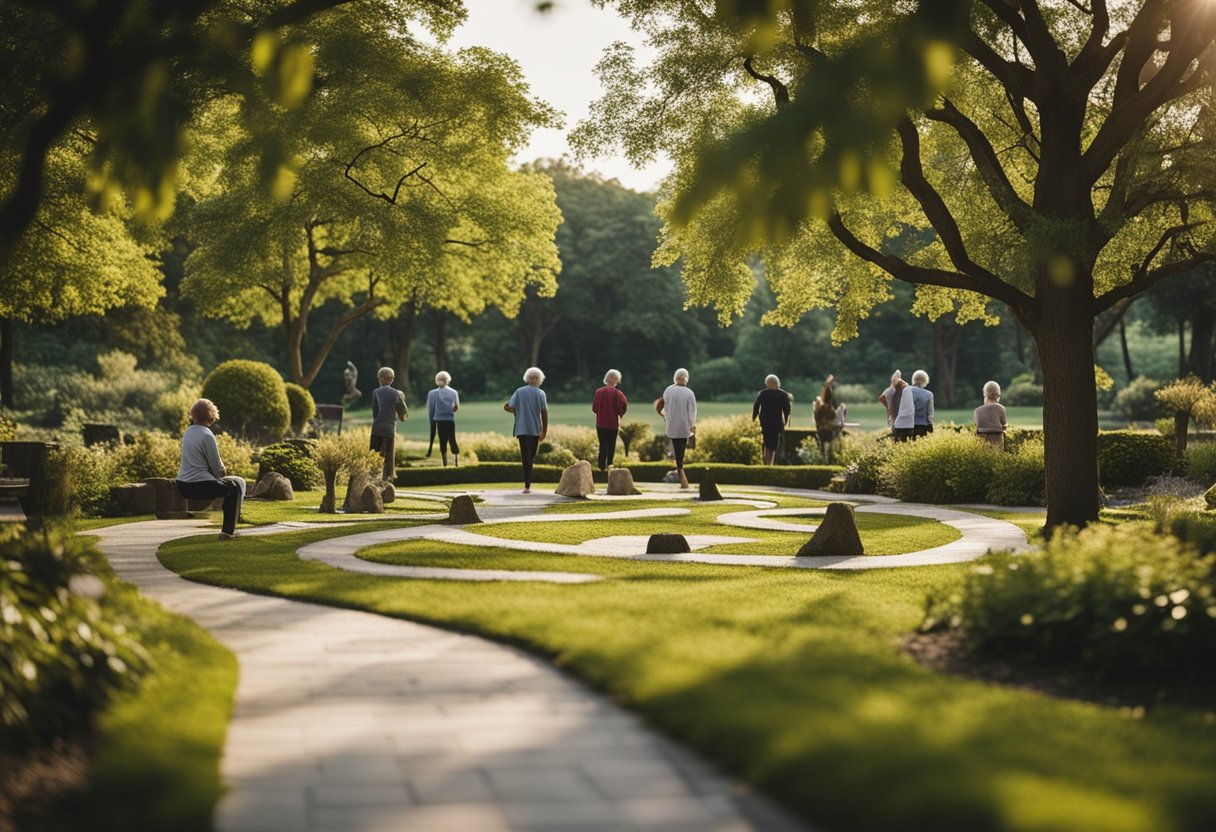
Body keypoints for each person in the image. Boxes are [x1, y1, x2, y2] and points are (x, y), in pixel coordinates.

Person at [175, 398, 246, 540]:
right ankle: (228, 532)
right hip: (198, 485)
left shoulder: (188, 432)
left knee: (231, 485)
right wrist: (223, 474)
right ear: (211, 416)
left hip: (183, 484)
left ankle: (230, 528)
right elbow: (218, 469)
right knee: (233, 487)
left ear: (193, 415)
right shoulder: (207, 435)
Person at [505, 366, 549, 494]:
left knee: (528, 457)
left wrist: (512, 410)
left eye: (535, 377)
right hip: (530, 429)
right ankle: (527, 486)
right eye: (532, 377)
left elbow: (509, 406)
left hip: (529, 429)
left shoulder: (523, 392)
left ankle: (527, 485)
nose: (534, 379)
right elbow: (544, 413)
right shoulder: (538, 393)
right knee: (528, 457)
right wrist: (544, 431)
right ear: (529, 379)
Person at [370, 367, 408, 481]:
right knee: (389, 456)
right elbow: (403, 410)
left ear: (380, 378)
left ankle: (373, 477)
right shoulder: (396, 393)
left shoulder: (376, 392)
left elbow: (375, 411)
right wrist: (402, 418)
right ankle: (388, 479)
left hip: (377, 428)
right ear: (391, 379)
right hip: (390, 428)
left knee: (374, 454)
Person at [661, 368, 697, 488]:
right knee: (681, 449)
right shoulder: (689, 393)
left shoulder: (668, 390)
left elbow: (666, 408)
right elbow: (692, 412)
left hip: (671, 425)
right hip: (684, 425)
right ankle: (681, 472)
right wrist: (692, 425)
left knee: (676, 447)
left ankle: (680, 470)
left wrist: (667, 419)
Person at [592, 368, 628, 471]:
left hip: (601, 423)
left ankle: (601, 466)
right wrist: (619, 414)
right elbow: (624, 406)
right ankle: (610, 465)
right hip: (613, 424)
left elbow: (594, 409)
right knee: (611, 445)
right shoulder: (619, 394)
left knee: (602, 444)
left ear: (606, 379)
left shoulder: (598, 392)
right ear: (617, 380)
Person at [752, 374, 791, 465]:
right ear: (776, 383)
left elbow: (756, 407)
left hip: (764, 423)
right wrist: (786, 422)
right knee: (776, 444)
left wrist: (754, 419)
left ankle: (766, 463)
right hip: (777, 423)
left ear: (767, 384)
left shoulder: (762, 394)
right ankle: (772, 463)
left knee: (766, 443)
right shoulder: (783, 394)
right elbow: (787, 410)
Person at [426, 371, 461, 467]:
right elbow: (456, 407)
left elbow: (431, 409)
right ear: (448, 380)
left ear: (437, 381)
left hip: (439, 420)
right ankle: (456, 461)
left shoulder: (433, 393)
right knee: (452, 439)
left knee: (443, 440)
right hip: (450, 419)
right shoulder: (453, 392)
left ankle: (445, 462)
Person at [813, 375, 841, 462]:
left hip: (821, 429)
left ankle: (823, 458)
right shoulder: (829, 408)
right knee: (830, 445)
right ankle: (829, 458)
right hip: (828, 430)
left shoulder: (819, 406)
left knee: (822, 446)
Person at [974, 380, 1008, 449]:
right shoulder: (1001, 409)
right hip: (997, 441)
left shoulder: (978, 411)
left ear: (985, 394)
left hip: (982, 442)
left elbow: (978, 425)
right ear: (998, 393)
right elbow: (1004, 424)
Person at [908, 369, 935, 438]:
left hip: (908, 424)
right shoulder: (929, 394)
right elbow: (930, 412)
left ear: (914, 379)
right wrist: (931, 424)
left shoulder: (907, 391)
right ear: (925, 380)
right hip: (923, 426)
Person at [891, 374, 915, 442]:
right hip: (906, 424)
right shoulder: (905, 390)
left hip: (904, 425)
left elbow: (908, 410)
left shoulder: (906, 390)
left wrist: (896, 423)